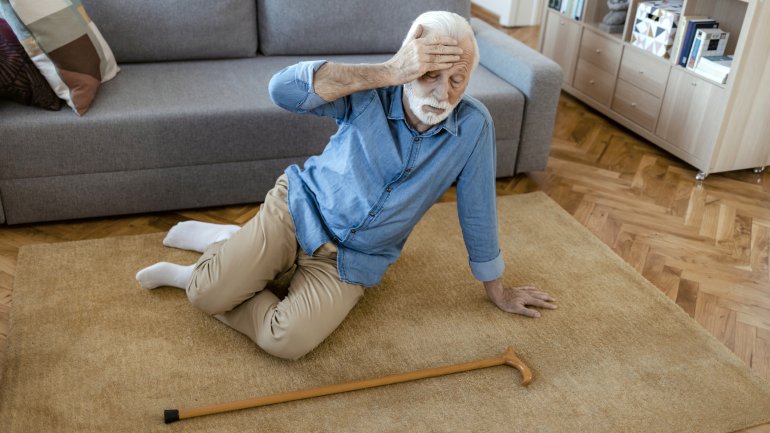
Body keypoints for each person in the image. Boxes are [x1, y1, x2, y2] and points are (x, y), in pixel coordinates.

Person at [135, 11, 557, 360]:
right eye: (429, 73)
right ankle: (218, 255)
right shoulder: (372, 90)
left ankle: (233, 253)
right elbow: (280, 90)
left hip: (353, 259)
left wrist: (496, 289)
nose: (441, 93)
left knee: (286, 341)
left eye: (456, 80)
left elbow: (478, 210)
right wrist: (390, 71)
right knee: (204, 296)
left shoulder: (474, 126)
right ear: (409, 61)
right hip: (299, 211)